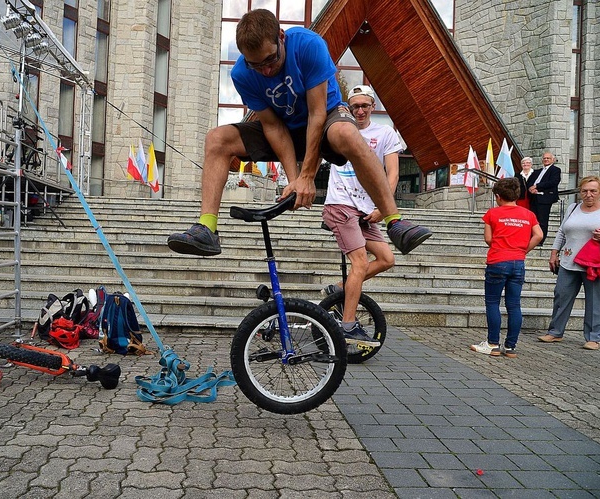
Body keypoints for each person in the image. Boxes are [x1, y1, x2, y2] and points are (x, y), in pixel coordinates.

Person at [167, 9, 431, 257]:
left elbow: (317, 114)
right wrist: (294, 181)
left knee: (349, 135)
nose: (266, 71)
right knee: (217, 138)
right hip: (285, 128)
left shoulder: (307, 45)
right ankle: (207, 228)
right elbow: (272, 126)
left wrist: (307, 177)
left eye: (271, 60)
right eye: (256, 65)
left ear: (281, 37)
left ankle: (394, 221)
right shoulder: (242, 74)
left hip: (326, 119)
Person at [320, 85, 399, 346]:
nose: (361, 110)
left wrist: (384, 207)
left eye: (365, 105)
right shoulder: (339, 130)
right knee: (360, 262)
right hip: (341, 204)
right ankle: (348, 325)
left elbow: (392, 174)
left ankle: (341, 290)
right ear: (350, 109)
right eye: (356, 106)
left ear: (372, 107)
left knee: (387, 259)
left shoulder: (385, 133)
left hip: (366, 209)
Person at [470, 178, 543, 358]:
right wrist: (522, 250)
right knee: (514, 304)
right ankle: (510, 347)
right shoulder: (528, 214)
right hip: (518, 262)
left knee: (493, 303)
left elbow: (488, 238)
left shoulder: (492, 213)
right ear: (517, 195)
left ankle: (493, 343)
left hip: (497, 261)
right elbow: (539, 235)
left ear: (497, 196)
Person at [538, 176, 600, 350]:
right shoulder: (573, 208)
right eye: (584, 191)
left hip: (594, 264)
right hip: (568, 260)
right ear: (580, 192)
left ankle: (593, 337)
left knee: (595, 301)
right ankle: (555, 332)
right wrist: (554, 253)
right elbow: (561, 232)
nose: (588, 194)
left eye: (593, 191)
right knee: (561, 295)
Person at [527, 152, 561, 245]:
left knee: (542, 221)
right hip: (534, 198)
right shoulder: (537, 171)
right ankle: (531, 238)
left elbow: (553, 182)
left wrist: (537, 186)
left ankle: (540, 240)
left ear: (553, 160)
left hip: (545, 199)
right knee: (533, 220)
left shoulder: (555, 170)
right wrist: (531, 188)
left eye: (548, 158)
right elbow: (529, 182)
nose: (546, 160)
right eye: (544, 158)